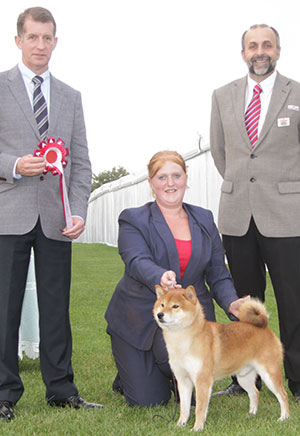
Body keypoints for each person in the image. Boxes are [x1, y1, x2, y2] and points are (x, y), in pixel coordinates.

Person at [0, 7, 103, 421]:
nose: (40, 45)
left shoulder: (70, 97)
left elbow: (81, 163)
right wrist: (12, 165)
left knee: (56, 307)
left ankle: (61, 389)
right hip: (10, 214)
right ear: (18, 40)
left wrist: (77, 210)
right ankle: (5, 392)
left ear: (55, 42)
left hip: (57, 218)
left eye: (47, 38)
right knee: (5, 308)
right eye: (33, 37)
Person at [105, 150, 248, 407]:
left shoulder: (204, 219)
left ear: (185, 178)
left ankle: (162, 369)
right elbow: (136, 260)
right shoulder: (133, 218)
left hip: (188, 323)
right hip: (138, 320)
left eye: (176, 175)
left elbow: (217, 272)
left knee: (193, 399)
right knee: (149, 402)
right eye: (161, 177)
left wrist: (232, 303)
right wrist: (160, 276)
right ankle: (132, 366)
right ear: (151, 183)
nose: (170, 183)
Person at [210, 23, 300, 403]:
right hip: (237, 215)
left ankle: (296, 378)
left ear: (278, 50)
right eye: (252, 46)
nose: (259, 51)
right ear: (242, 52)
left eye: (267, 45)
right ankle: (245, 377)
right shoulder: (222, 95)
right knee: (246, 303)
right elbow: (220, 152)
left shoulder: (296, 93)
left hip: (286, 215)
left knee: (293, 300)